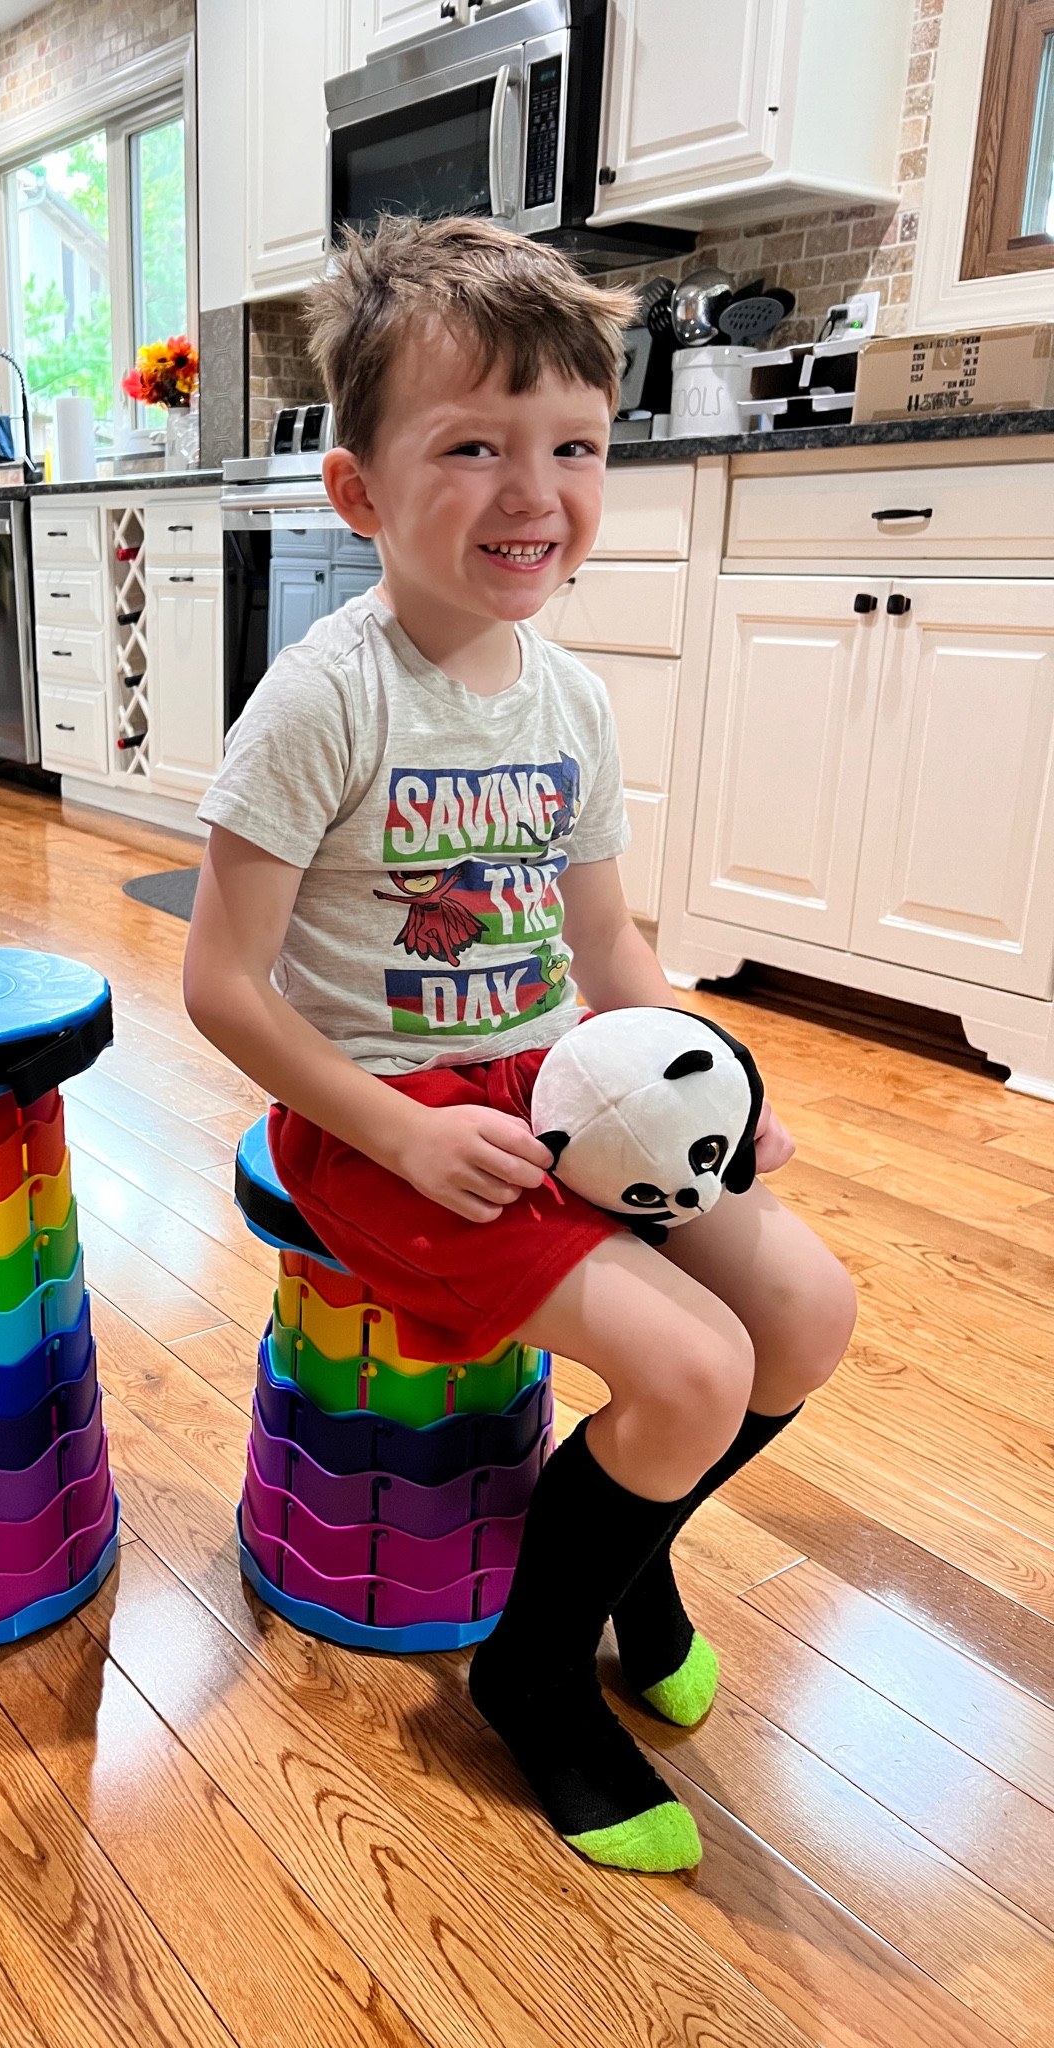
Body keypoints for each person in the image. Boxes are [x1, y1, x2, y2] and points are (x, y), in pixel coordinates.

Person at [182, 215, 856, 1874]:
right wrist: (399, 1132)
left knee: (802, 1315)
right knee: (693, 1368)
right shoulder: (326, 697)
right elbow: (221, 986)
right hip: (374, 1120)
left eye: (571, 446)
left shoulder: (571, 700)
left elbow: (609, 947)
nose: (531, 491)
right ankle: (535, 1670)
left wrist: (713, 1083)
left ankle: (622, 1555)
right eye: (471, 445)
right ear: (360, 491)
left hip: (556, 1091)